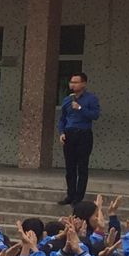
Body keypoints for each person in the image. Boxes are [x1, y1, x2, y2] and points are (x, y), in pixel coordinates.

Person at [57, 71, 100, 208]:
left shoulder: (91, 99)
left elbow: (95, 115)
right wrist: (61, 132)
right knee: (70, 167)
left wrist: (80, 108)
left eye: (76, 82)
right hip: (69, 134)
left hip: (83, 134)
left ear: (83, 84)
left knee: (82, 167)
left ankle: (78, 197)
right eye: (71, 82)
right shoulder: (67, 100)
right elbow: (62, 118)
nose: (73, 85)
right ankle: (70, 195)